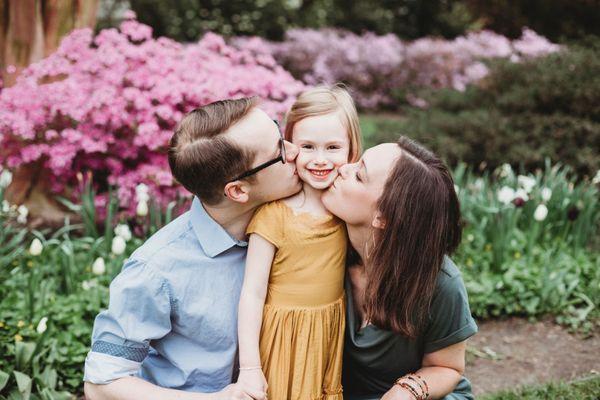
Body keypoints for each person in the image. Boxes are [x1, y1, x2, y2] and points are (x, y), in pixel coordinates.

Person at [83, 97, 301, 400]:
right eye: (279, 151)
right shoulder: (157, 269)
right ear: (238, 190)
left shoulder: (298, 220)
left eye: (280, 134)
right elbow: (101, 384)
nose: (295, 151)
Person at [322, 137, 478, 400]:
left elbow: (447, 367)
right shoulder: (321, 252)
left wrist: (405, 391)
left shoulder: (439, 283)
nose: (342, 168)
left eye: (359, 174)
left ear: (383, 216)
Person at [236, 85, 363, 400]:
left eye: (333, 147)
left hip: (326, 333)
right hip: (283, 337)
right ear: (290, 148)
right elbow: (252, 293)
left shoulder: (347, 208)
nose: (320, 160)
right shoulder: (275, 215)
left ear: (351, 150)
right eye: (308, 146)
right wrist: (250, 368)